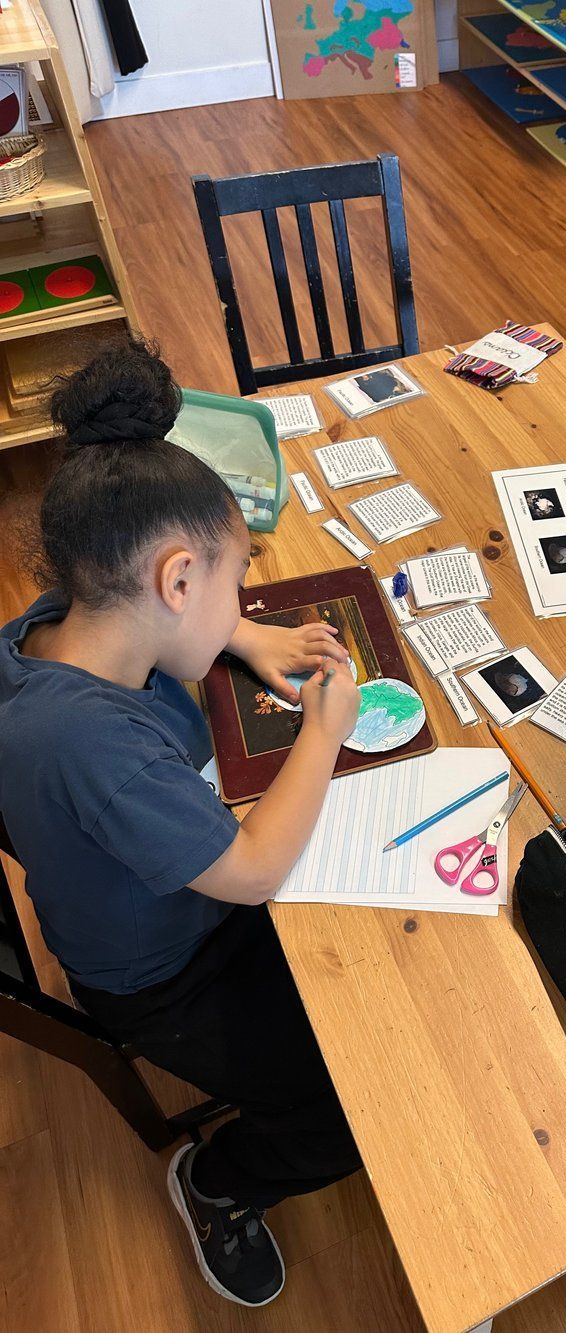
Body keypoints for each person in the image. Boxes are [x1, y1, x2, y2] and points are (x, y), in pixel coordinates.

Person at [0, 340, 363, 1308]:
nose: (241, 600)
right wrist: (323, 734)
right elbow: (249, 871)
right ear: (174, 582)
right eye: (236, 579)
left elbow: (164, 617)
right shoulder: (89, 745)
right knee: (345, 1111)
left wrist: (237, 630)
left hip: (181, 909)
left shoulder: (65, 625)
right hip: (165, 974)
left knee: (370, 978)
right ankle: (216, 1182)